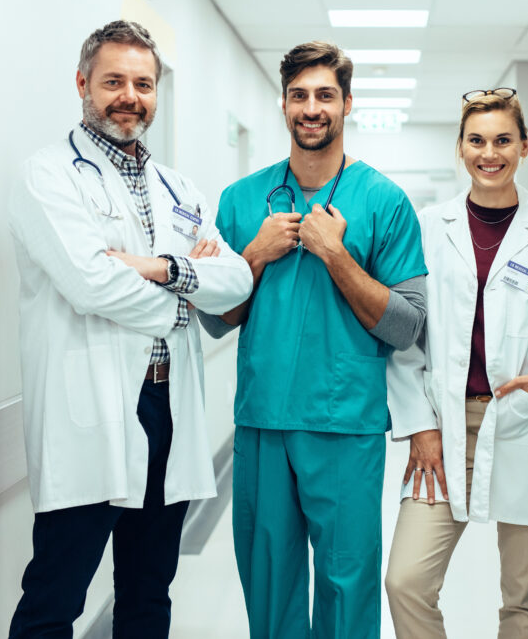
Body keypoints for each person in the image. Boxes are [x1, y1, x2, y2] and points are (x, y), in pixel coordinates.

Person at [7, 20, 253, 638]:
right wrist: (187, 296)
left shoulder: (178, 188)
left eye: (143, 84)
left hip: (168, 406)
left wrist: (163, 269)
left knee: (148, 591)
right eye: (113, 81)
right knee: (55, 598)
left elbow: (236, 281)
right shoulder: (48, 176)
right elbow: (91, 283)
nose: (129, 96)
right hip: (90, 410)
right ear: (82, 83)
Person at [211, 41, 428, 638]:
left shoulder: (384, 201)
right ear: (283, 104)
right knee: (269, 583)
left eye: (326, 95)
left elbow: (407, 324)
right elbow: (216, 319)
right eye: (299, 95)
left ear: (348, 103)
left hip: (345, 426)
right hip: (263, 422)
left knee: (347, 586)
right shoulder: (240, 200)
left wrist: (336, 256)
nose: (312, 108)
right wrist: (254, 256)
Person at [384, 88, 528, 639]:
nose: (489, 153)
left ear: (524, 146)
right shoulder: (428, 226)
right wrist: (420, 428)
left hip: (522, 421)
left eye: (503, 140)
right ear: (460, 148)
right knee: (406, 581)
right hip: (444, 425)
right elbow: (407, 335)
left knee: (523, 598)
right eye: (476, 140)